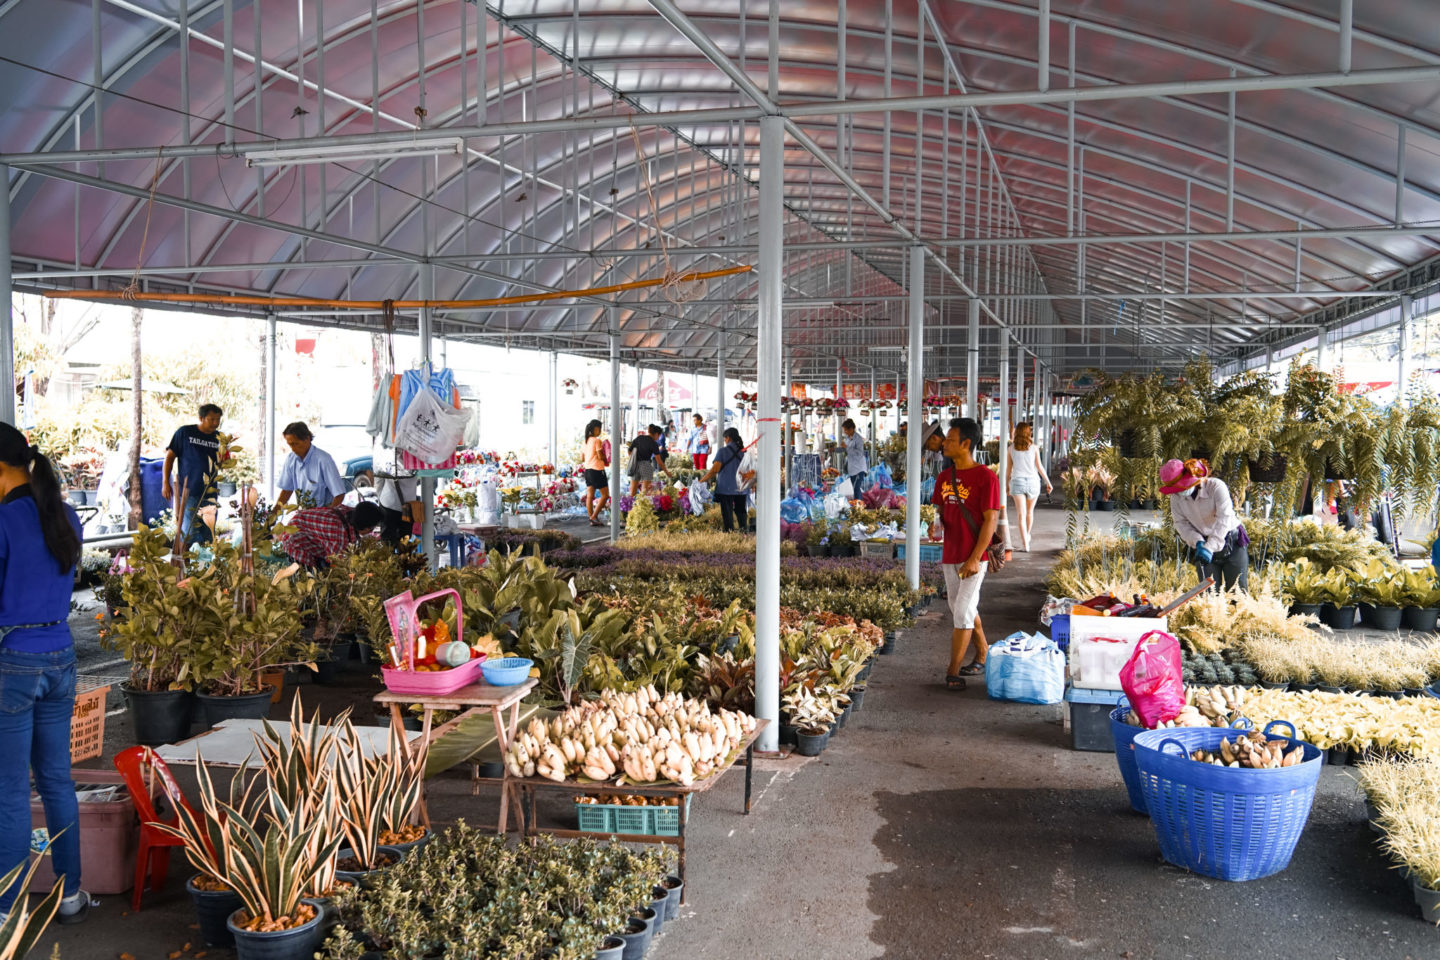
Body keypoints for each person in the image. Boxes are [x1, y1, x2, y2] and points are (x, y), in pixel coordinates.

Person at [0, 424, 89, 926]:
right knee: (56, 779)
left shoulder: (5, 521)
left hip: (13, 659)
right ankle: (71, 893)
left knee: (10, 789)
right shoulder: (67, 514)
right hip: (61, 653)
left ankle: (5, 907)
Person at [931, 418, 1000, 691]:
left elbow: (990, 521)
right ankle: (983, 651)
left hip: (974, 557)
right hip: (950, 553)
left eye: (950, 439)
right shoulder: (943, 478)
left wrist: (974, 558)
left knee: (961, 612)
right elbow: (940, 513)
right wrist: (934, 525)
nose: (944, 443)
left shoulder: (986, 477)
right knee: (962, 607)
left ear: (966, 444)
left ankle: (952, 671)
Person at [1159, 458, 1249, 591]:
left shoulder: (1216, 487)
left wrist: (1210, 547)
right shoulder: (1176, 498)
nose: (1180, 491)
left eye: (1182, 486)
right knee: (1209, 592)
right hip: (1203, 545)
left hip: (1231, 541)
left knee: (1237, 591)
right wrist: (1198, 542)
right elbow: (1181, 523)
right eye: (1176, 488)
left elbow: (1224, 518)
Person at [162, 403, 223, 545]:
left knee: (208, 531)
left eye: (218, 420)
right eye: (211, 419)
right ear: (201, 418)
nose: (215, 423)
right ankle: (187, 563)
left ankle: (205, 563)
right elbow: (169, 457)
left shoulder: (219, 438)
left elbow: (223, 462)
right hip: (189, 491)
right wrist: (166, 482)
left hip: (210, 492)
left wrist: (226, 455)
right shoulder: (185, 433)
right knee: (188, 532)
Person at [280, 501, 383, 568]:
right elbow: (336, 564)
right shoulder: (339, 534)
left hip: (306, 531)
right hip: (295, 540)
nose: (370, 532)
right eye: (371, 528)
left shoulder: (351, 514)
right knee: (310, 581)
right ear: (365, 527)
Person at [274, 422, 345, 511]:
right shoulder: (291, 459)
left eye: (296, 444)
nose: (293, 448)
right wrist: (273, 514)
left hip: (322, 516)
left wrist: (327, 515)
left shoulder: (323, 460)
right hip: (303, 515)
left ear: (307, 439)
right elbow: (286, 491)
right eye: (290, 445)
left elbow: (339, 494)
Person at [1006, 422, 1052, 552]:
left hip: (1017, 482)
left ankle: (1025, 544)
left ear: (1017, 432)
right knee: (1029, 513)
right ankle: (1027, 535)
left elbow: (1008, 470)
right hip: (1033, 483)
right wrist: (1048, 482)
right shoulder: (1034, 448)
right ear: (1028, 432)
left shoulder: (1011, 448)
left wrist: (1006, 486)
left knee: (1021, 515)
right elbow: (1039, 467)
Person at [701, 428, 747, 533]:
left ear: (728, 438)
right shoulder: (743, 452)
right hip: (741, 488)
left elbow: (715, 470)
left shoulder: (723, 451)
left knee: (727, 513)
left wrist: (702, 480)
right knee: (741, 511)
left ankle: (729, 534)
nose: (725, 441)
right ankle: (744, 533)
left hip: (726, 488)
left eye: (725, 438)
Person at [375, 475, 421, 543]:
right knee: (405, 542)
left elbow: (379, 477)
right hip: (409, 502)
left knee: (388, 543)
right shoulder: (414, 464)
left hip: (389, 501)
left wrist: (380, 498)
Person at [582, 420, 611, 527]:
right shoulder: (597, 441)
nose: (600, 431)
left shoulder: (585, 441)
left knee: (590, 496)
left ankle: (592, 518)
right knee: (605, 495)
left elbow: (582, 457)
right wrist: (606, 456)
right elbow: (600, 456)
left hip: (588, 470)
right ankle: (594, 516)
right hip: (597, 470)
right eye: (599, 428)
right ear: (594, 429)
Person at [628, 424, 670, 495]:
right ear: (656, 434)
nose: (658, 438)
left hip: (635, 465)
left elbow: (629, 451)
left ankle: (631, 504)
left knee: (632, 491)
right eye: (659, 436)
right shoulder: (654, 444)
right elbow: (659, 462)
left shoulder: (639, 438)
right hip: (646, 466)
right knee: (645, 491)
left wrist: (634, 459)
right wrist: (667, 472)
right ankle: (642, 505)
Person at [842, 418, 868, 495]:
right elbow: (847, 450)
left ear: (851, 429)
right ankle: (856, 504)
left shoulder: (858, 439)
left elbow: (859, 453)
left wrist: (846, 448)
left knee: (857, 488)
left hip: (859, 468)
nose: (844, 432)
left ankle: (859, 505)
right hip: (852, 467)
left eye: (846, 430)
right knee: (853, 487)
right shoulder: (847, 438)